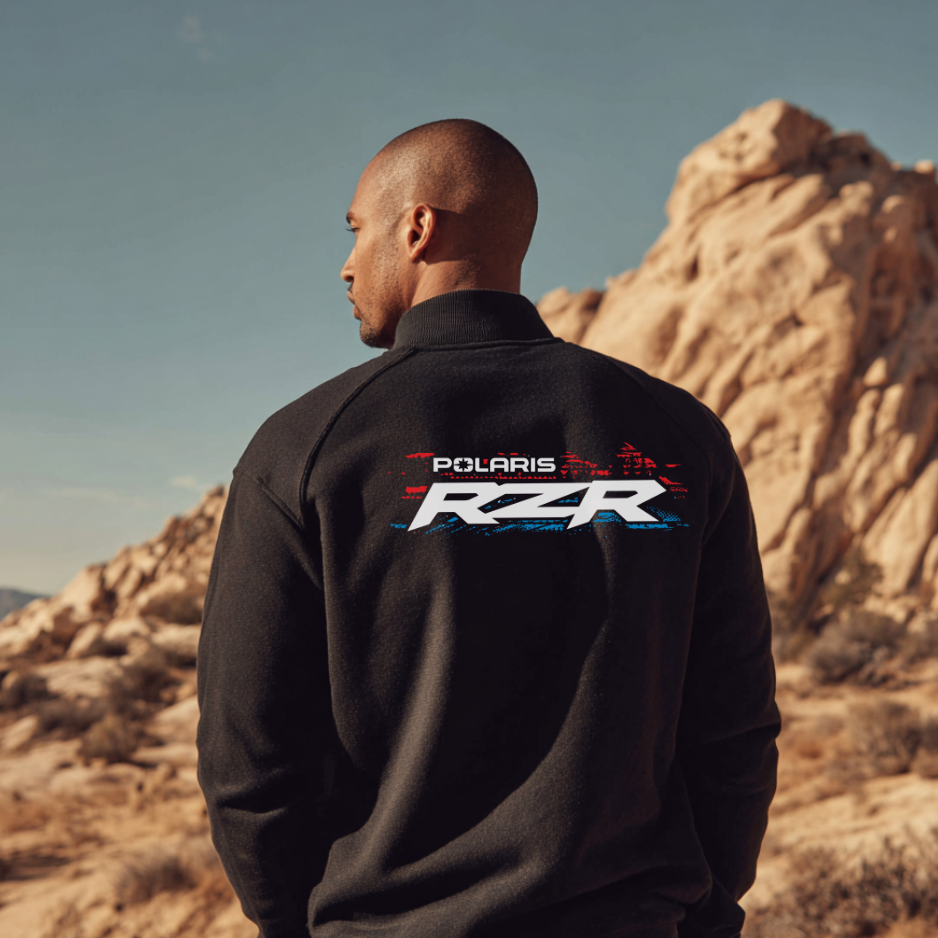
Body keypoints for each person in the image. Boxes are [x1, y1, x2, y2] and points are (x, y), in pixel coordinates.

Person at [196, 118, 780, 938]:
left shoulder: (308, 447)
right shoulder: (677, 434)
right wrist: (702, 914)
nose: (346, 263)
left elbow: (250, 763)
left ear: (419, 228)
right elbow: (735, 727)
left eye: (359, 232)